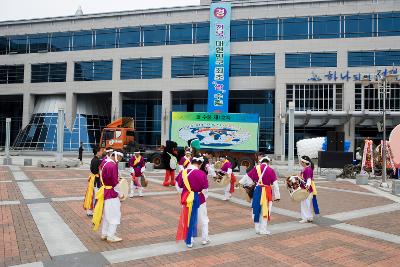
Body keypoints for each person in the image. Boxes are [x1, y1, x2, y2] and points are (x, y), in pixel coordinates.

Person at [239, 155, 280, 235]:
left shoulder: (256, 168)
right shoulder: (270, 170)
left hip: (257, 190)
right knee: (265, 210)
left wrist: (240, 183)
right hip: (267, 191)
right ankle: (263, 229)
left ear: (261, 162)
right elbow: (275, 184)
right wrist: (277, 196)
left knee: (256, 208)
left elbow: (247, 177)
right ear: (268, 162)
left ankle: (257, 228)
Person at [175, 155, 210, 248]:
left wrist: (185, 193)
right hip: (199, 199)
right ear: (200, 164)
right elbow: (205, 189)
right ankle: (204, 238)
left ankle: (189, 240)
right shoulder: (202, 173)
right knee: (203, 219)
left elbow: (178, 186)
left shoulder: (183, 173)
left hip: (186, 199)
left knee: (187, 219)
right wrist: (203, 196)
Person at [92, 149, 125, 242]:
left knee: (107, 214)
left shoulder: (104, 161)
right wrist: (121, 194)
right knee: (115, 215)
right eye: (120, 157)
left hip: (105, 190)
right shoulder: (112, 165)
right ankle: (111, 236)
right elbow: (115, 183)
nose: (120, 159)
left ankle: (104, 233)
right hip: (111, 192)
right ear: (117, 156)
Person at [299, 155, 320, 223]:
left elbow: (308, 179)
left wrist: (307, 186)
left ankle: (305, 218)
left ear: (304, 162)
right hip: (307, 189)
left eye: (301, 161)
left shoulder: (307, 169)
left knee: (304, 204)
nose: (300, 162)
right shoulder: (307, 169)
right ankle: (309, 217)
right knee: (308, 204)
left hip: (306, 189)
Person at [83, 146, 102, 216]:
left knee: (91, 195)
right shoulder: (97, 160)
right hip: (96, 181)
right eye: (101, 151)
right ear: (97, 152)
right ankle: (95, 211)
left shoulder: (93, 159)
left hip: (93, 180)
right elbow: (95, 171)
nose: (102, 152)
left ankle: (89, 211)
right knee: (97, 196)